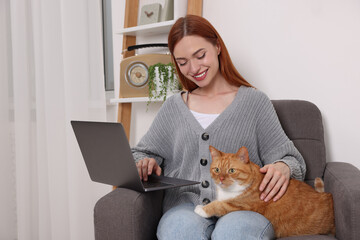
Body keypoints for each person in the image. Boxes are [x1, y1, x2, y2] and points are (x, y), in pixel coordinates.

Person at [132, 15, 306, 240]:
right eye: (182, 62)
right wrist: (144, 162)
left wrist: (284, 167)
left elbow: (291, 159)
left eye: (200, 55)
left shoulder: (254, 102)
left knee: (234, 233)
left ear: (217, 46)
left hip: (244, 206)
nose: (193, 68)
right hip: (186, 207)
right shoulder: (173, 107)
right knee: (178, 231)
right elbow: (141, 153)